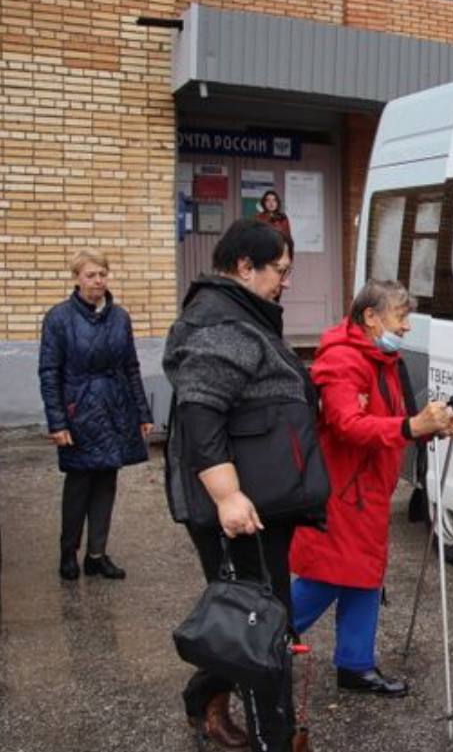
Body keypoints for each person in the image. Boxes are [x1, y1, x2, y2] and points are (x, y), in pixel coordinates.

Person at [164, 218, 322, 752]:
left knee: (256, 617)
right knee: (261, 627)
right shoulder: (221, 323)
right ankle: (272, 740)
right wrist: (229, 495)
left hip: (260, 506)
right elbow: (200, 412)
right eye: (280, 270)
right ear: (243, 267)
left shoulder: (242, 315)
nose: (286, 281)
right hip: (241, 511)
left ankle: (207, 696)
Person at [288, 280, 453, 696]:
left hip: (367, 491)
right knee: (328, 575)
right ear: (370, 316)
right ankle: (254, 643)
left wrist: (434, 426)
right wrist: (412, 426)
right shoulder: (343, 362)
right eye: (400, 317)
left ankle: (355, 665)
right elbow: (347, 424)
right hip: (342, 491)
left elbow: (400, 422)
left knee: (364, 575)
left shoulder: (384, 360)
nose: (406, 327)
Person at [38, 248, 153, 581]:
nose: (98, 280)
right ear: (77, 278)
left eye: (102, 274)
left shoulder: (120, 317)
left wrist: (142, 412)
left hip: (115, 409)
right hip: (79, 411)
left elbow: (131, 367)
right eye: (91, 275)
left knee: (106, 483)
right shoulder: (59, 318)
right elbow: (49, 372)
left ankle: (96, 555)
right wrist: (57, 421)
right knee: (79, 484)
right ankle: (68, 553)